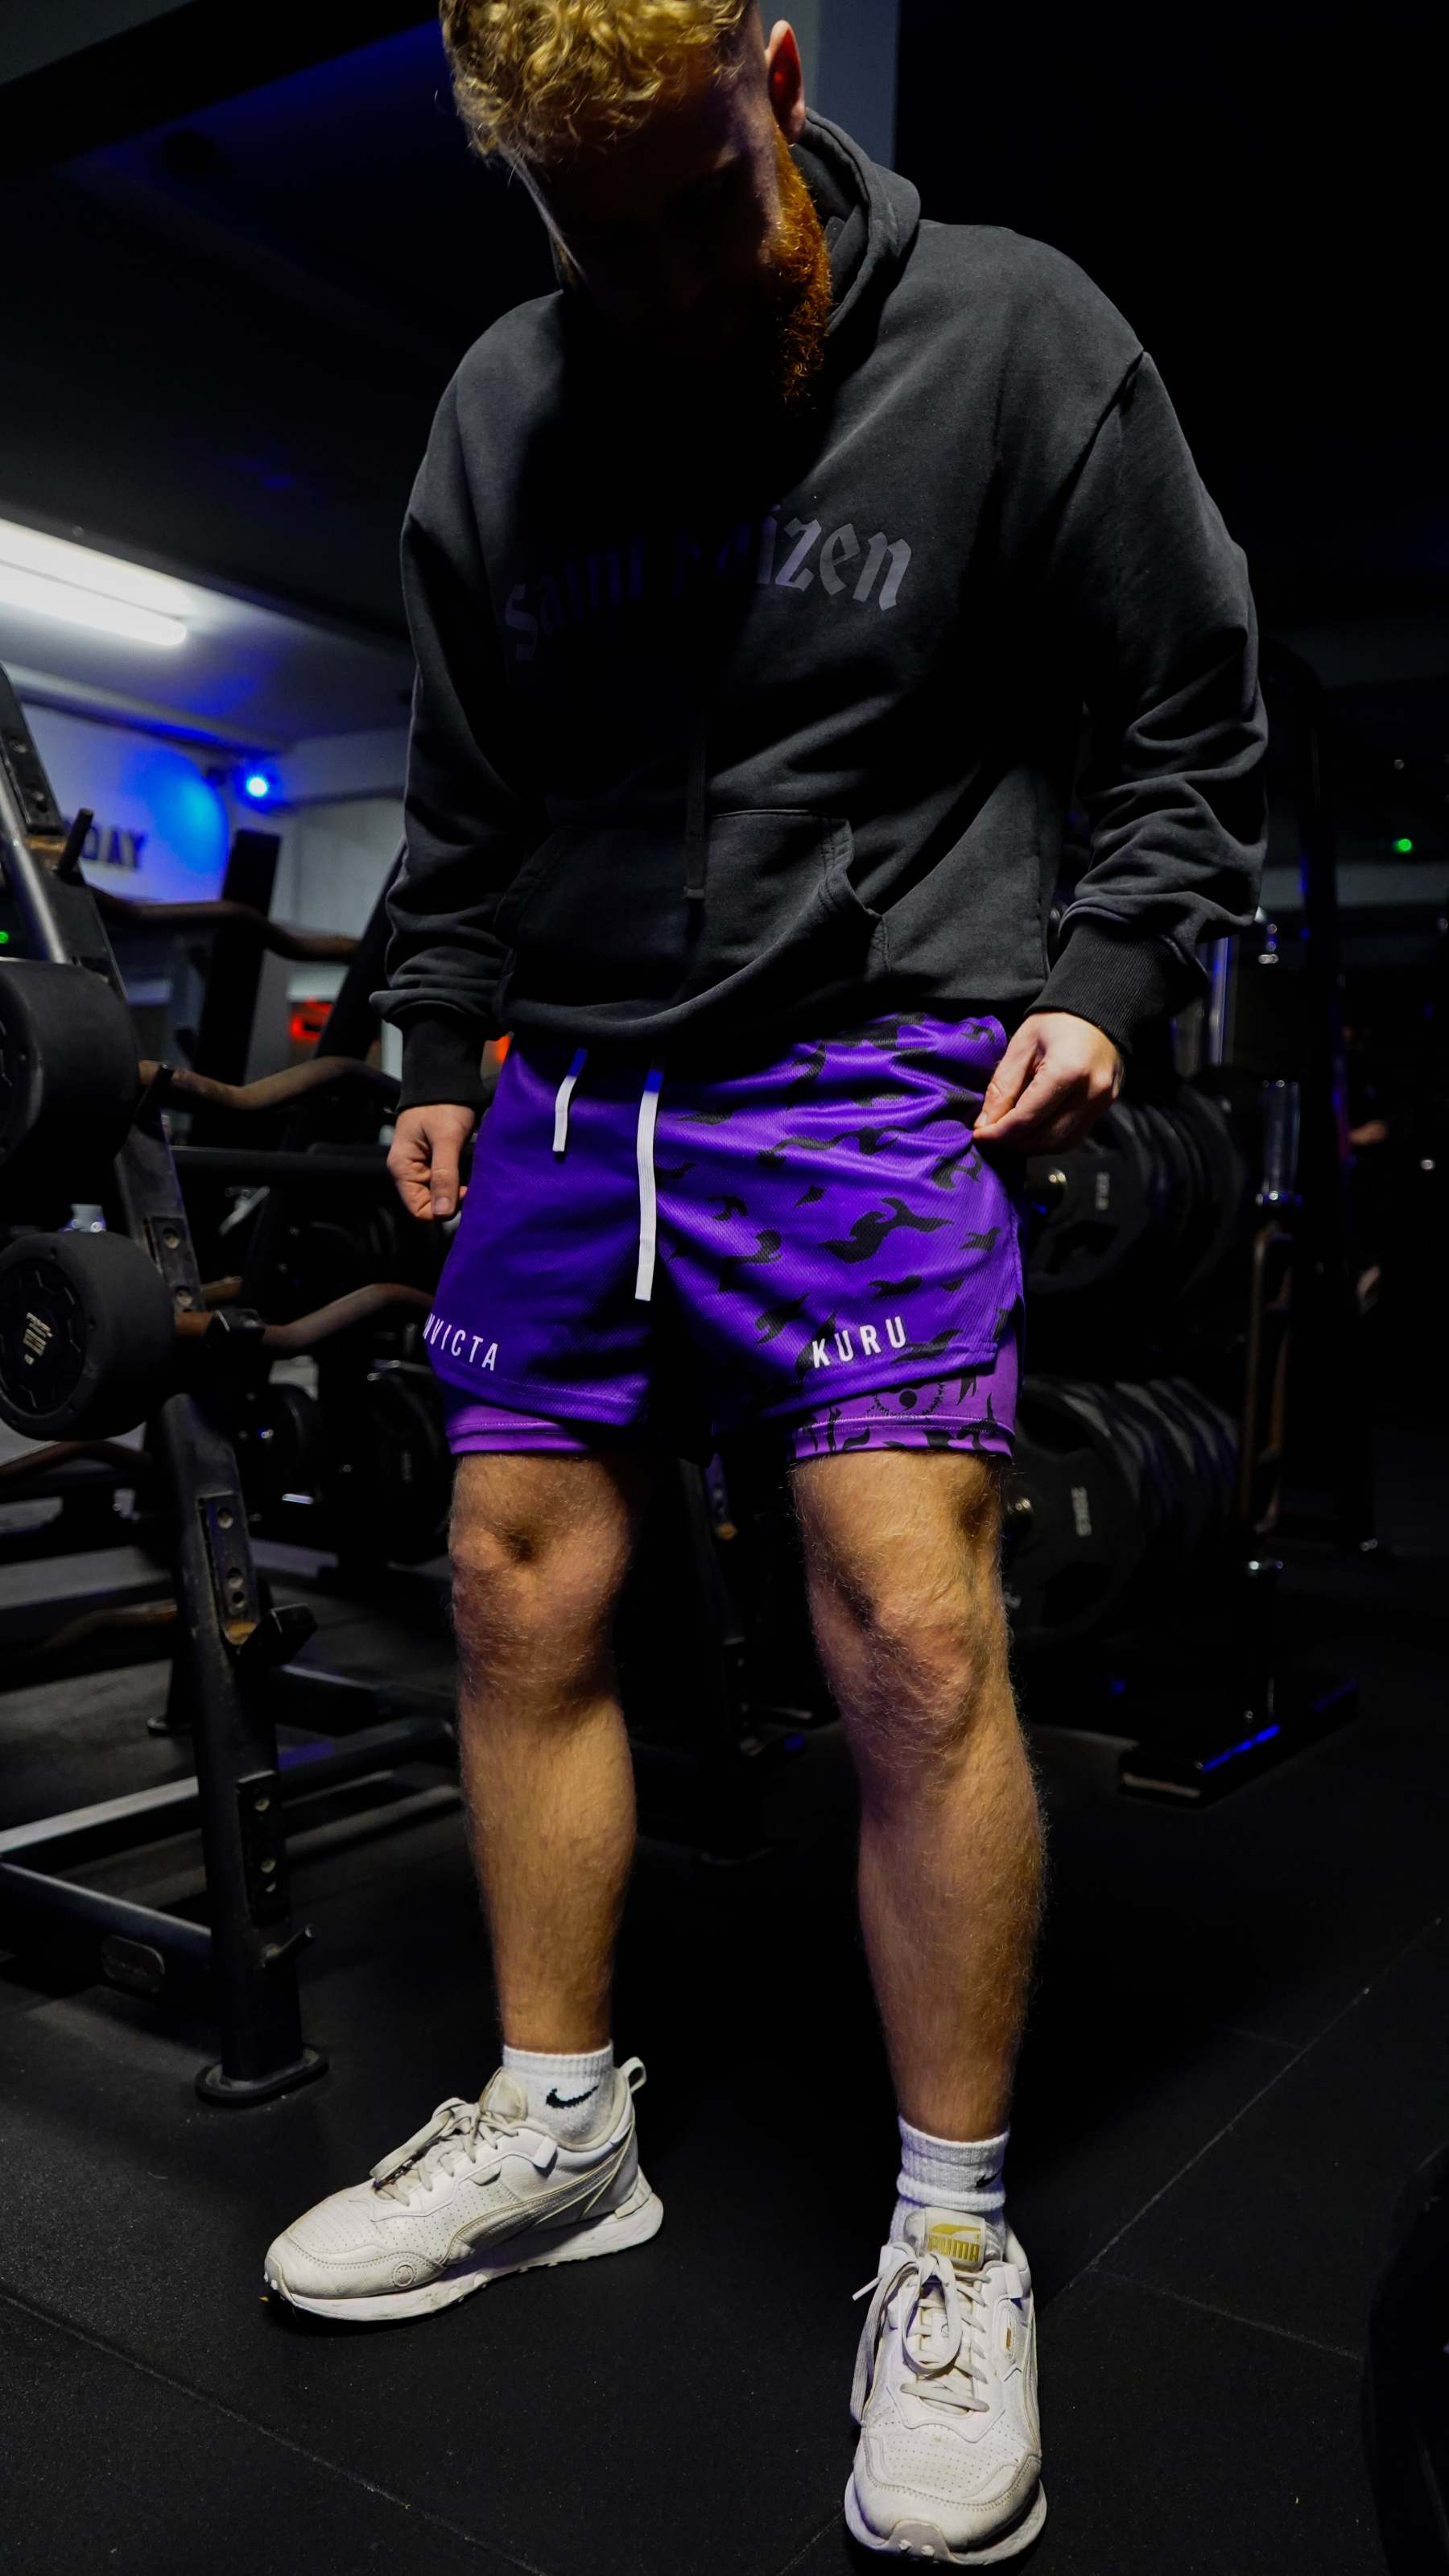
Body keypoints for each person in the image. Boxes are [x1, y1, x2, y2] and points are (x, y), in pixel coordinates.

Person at [265, 6, 1267, 2559]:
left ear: (781, 77)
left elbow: (1190, 712)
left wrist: (1114, 972)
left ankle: (951, 2231)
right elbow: (469, 783)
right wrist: (430, 1031)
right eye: (597, 236)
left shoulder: (1016, 332)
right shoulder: (505, 410)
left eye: (702, 203)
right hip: (576, 1079)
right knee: (515, 1587)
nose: (672, 281)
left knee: (910, 1630)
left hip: (872, 1046)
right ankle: (561, 2125)